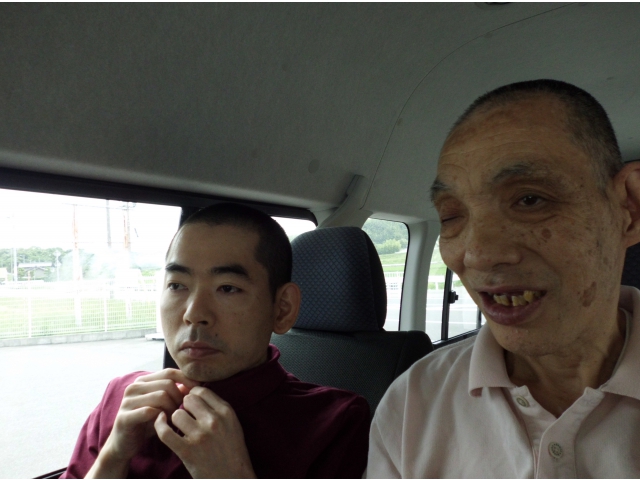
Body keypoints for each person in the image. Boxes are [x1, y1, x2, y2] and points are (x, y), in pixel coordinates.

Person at [367, 79, 640, 478]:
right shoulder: (413, 403)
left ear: (629, 208)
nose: (477, 254)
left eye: (530, 200)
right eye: (452, 216)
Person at [63, 203, 370, 479]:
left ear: (282, 308)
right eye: (177, 285)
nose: (194, 314)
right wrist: (113, 455)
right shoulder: (123, 397)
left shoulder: (333, 422)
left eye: (227, 288)